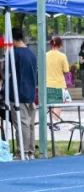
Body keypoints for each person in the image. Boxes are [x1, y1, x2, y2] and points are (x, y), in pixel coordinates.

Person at [3, 27, 37, 159]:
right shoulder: (31, 53)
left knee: (22, 124)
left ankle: (22, 151)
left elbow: (6, 72)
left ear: (12, 38)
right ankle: (30, 151)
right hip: (30, 93)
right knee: (30, 124)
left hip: (18, 93)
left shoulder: (13, 53)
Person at [44, 35, 69, 125]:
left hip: (47, 83)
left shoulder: (45, 55)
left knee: (51, 105)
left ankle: (51, 122)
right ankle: (54, 123)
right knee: (58, 104)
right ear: (60, 44)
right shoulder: (62, 56)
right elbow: (66, 70)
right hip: (59, 84)